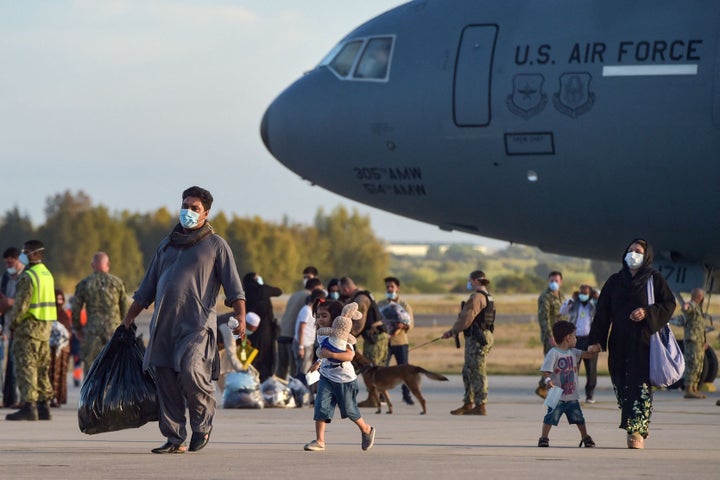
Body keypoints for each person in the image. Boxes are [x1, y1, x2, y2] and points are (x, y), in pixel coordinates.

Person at [121, 186, 246, 454]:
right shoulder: (166, 245)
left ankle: (202, 425)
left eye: (194, 208)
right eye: (185, 205)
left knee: (191, 371)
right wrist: (128, 320)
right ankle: (175, 438)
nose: (188, 211)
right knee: (164, 380)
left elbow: (235, 289)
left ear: (206, 213)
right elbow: (146, 289)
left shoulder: (216, 245)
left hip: (197, 326)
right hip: (163, 327)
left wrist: (241, 317)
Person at [588, 238, 676, 449]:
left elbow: (669, 304)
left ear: (646, 256)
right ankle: (635, 424)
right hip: (618, 342)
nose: (633, 254)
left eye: (637, 251)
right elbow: (602, 313)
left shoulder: (654, 279)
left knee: (639, 387)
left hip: (643, 343)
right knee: (621, 386)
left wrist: (647, 312)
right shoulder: (614, 281)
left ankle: (636, 432)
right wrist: (596, 341)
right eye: (630, 250)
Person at [303, 302, 375, 452]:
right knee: (320, 406)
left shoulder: (343, 337)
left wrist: (333, 355)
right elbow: (324, 351)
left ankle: (366, 429)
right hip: (327, 377)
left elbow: (349, 355)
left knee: (349, 410)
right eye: (318, 316)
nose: (320, 319)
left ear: (335, 318)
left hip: (344, 379)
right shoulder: (322, 334)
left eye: (324, 316)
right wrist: (319, 362)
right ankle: (320, 441)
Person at [5, 240, 57, 421]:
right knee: (42, 368)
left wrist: (12, 325)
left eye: (25, 251)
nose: (22, 255)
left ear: (34, 254)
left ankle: (29, 406)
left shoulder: (28, 276)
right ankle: (44, 406)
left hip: (28, 328)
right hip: (45, 328)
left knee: (26, 366)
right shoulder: (47, 274)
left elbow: (21, 306)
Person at [442, 270, 495, 415]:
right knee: (468, 370)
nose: (469, 283)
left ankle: (480, 404)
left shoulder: (477, 297)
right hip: (483, 336)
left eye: (470, 280)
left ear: (476, 281)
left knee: (477, 370)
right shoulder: (488, 296)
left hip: (477, 338)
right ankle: (468, 402)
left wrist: (453, 331)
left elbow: (467, 317)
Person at [537, 320, 596, 448]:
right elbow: (545, 371)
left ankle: (585, 437)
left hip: (571, 395)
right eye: (575, 336)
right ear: (568, 338)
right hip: (556, 394)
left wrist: (595, 348)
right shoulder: (553, 353)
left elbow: (588, 355)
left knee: (579, 418)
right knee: (550, 417)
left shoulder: (574, 352)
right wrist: (548, 381)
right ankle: (544, 438)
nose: (576, 339)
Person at [71, 252, 128, 370]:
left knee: (91, 369)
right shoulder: (117, 283)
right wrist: (124, 327)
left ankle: (92, 389)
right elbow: (125, 309)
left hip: (92, 332)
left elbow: (76, 309)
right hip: (114, 331)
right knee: (114, 369)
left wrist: (78, 329)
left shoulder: (85, 284)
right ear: (108, 265)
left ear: (92, 265)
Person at [340, 276, 389, 407]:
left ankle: (373, 399)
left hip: (375, 338)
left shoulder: (360, 300)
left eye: (342, 291)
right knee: (374, 367)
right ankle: (375, 398)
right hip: (377, 336)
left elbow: (359, 324)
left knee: (371, 368)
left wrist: (345, 336)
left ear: (346, 288)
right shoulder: (364, 295)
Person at [276, 267, 320, 379]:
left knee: (281, 372)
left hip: (282, 335)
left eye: (308, 277)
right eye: (304, 277)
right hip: (294, 339)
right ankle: (296, 395)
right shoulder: (309, 297)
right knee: (296, 373)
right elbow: (304, 322)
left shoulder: (295, 294)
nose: (305, 280)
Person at [377, 276, 415, 405]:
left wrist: (403, 326)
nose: (389, 289)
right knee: (383, 369)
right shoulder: (381, 304)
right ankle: (382, 396)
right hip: (385, 343)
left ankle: (406, 395)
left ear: (397, 288)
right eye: (387, 287)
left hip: (400, 342)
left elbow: (410, 323)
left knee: (404, 370)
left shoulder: (404, 305)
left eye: (391, 287)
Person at [559, 284, 598, 403]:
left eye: (585, 293)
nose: (583, 296)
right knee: (571, 367)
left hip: (590, 339)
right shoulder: (574, 304)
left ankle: (590, 394)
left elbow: (604, 307)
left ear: (590, 294)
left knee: (591, 368)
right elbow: (562, 311)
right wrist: (570, 300)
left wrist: (597, 296)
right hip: (575, 340)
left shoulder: (594, 305)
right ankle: (570, 394)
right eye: (581, 293)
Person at [242, 272, 282, 382]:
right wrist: (263, 286)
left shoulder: (245, 293)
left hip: (250, 330)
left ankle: (252, 379)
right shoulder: (263, 290)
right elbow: (279, 291)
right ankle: (264, 380)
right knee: (266, 357)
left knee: (252, 357)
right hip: (266, 330)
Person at [535, 271, 566, 399]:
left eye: (556, 281)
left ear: (561, 282)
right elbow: (544, 318)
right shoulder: (545, 297)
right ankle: (547, 388)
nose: (554, 283)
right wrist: (550, 335)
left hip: (561, 334)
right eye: (552, 281)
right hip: (551, 335)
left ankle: (543, 387)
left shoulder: (561, 296)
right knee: (552, 362)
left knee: (556, 363)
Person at [1, 247, 24, 408]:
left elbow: (27, 302)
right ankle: (7, 398)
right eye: (6, 263)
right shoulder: (5, 278)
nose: (8, 266)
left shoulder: (26, 277)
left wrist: (11, 302)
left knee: (17, 365)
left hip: (22, 326)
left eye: (11, 262)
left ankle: (18, 399)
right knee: (6, 366)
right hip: (7, 327)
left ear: (18, 261)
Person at [294, 289, 326, 387]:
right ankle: (302, 393)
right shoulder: (306, 310)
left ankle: (306, 392)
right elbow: (301, 329)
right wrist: (301, 347)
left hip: (308, 344)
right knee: (304, 372)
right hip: (303, 344)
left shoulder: (312, 311)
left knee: (307, 370)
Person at [682, 288, 707, 399]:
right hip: (693, 341)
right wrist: (685, 307)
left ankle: (694, 389)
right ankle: (688, 389)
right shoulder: (692, 304)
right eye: (701, 296)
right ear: (699, 296)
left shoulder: (699, 308)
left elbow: (700, 327)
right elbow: (686, 309)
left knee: (698, 365)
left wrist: (704, 341)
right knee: (692, 363)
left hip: (699, 341)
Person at [49, 289, 72, 407]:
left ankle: (59, 398)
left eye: (61, 299)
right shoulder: (49, 313)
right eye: (56, 299)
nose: (59, 302)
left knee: (61, 374)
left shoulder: (64, 314)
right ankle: (50, 397)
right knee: (51, 372)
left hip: (64, 349)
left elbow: (68, 331)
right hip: (51, 349)